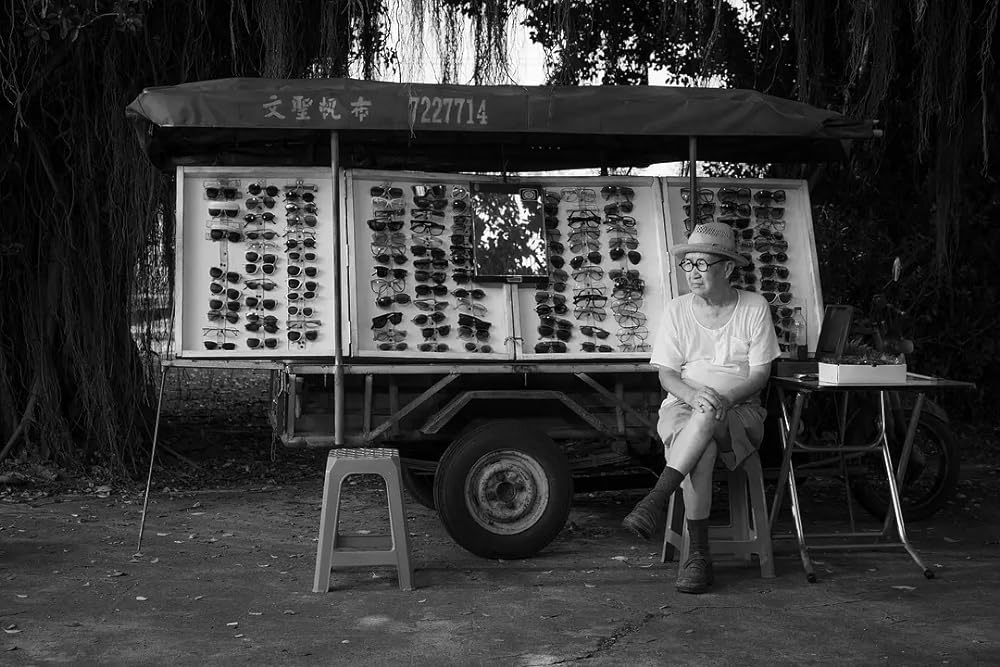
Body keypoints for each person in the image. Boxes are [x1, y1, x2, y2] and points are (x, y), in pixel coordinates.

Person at [622, 220, 781, 594]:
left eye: (701, 265)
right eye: (687, 264)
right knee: (703, 443)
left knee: (709, 414)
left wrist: (725, 397)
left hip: (741, 414)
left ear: (726, 268)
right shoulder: (678, 310)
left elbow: (760, 375)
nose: (691, 273)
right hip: (682, 406)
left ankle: (659, 499)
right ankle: (698, 557)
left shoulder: (754, 307)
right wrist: (695, 397)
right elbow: (667, 376)